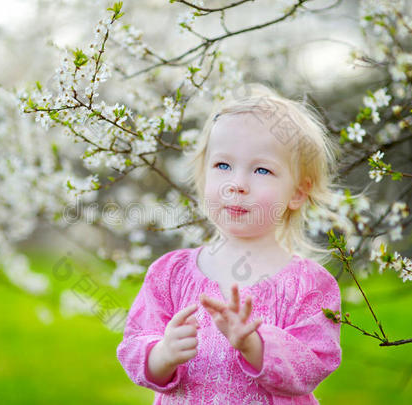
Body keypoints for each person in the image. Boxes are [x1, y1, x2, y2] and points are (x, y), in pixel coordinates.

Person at [117, 83, 347, 404]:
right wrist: (163, 354)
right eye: (223, 166)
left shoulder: (310, 285)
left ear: (297, 192)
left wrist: (254, 344)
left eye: (262, 169)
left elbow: (315, 362)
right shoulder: (170, 273)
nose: (237, 185)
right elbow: (135, 345)